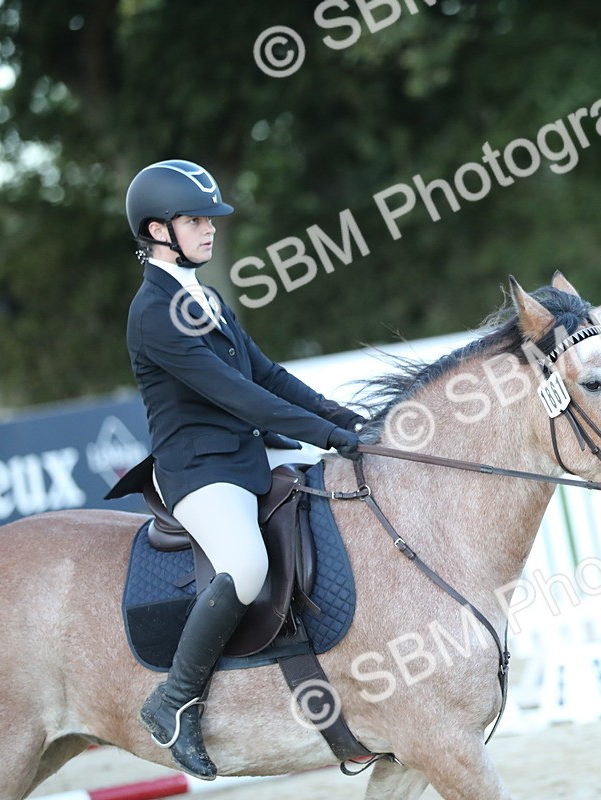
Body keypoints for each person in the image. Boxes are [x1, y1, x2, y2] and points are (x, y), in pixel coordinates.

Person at [122, 159, 362, 779]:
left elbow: (268, 375)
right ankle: (173, 703)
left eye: (208, 220)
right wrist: (325, 434)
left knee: (343, 487)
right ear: (157, 230)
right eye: (196, 221)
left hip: (245, 450)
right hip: (199, 469)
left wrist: (344, 417)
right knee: (247, 565)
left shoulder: (204, 296)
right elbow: (238, 394)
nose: (209, 230)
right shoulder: (152, 312)